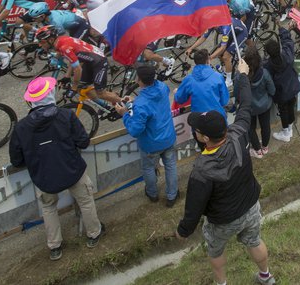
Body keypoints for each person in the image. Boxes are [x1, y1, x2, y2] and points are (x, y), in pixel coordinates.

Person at [175, 59, 276, 285]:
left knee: (216, 251)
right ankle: (266, 276)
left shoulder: (202, 168)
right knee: (254, 240)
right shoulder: (239, 132)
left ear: (204, 138)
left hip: (222, 221)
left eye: (197, 130)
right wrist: (241, 75)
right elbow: (246, 105)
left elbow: (194, 208)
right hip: (250, 206)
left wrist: (183, 231)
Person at [9, 76, 104, 261]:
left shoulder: (21, 127)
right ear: (51, 95)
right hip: (72, 170)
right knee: (86, 201)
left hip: (44, 177)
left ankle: (55, 246)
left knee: (48, 209)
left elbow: (16, 160)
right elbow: (83, 142)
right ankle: (94, 233)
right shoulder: (66, 115)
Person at [115, 64, 180, 207]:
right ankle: (172, 195)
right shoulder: (162, 87)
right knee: (171, 166)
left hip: (151, 144)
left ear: (139, 80)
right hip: (168, 137)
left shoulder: (142, 103)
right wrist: (133, 103)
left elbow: (135, 130)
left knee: (148, 168)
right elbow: (152, 106)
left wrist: (124, 114)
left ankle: (152, 193)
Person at [233, 46, 275, 158]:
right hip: (264, 106)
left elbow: (237, 93)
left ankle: (257, 149)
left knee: (251, 128)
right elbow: (272, 89)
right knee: (265, 126)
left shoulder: (240, 76)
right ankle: (265, 147)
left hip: (249, 108)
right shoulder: (264, 73)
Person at [263, 26, 300, 143]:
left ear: (268, 53)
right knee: (291, 107)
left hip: (281, 93)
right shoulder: (287, 55)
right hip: (293, 88)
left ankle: (286, 132)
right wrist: (282, 29)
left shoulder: (267, 65)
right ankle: (289, 129)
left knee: (284, 111)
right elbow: (288, 42)